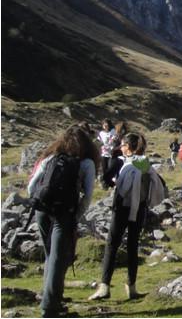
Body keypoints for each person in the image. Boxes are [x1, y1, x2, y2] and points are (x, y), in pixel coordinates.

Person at [28, 125, 98, 318]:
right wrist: (76, 216)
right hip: (64, 213)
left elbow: (32, 185)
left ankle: (51, 297)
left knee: (50, 254)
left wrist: (38, 202)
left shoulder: (51, 157)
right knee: (58, 258)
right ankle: (50, 307)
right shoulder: (87, 163)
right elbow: (88, 195)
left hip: (42, 209)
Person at [89, 133, 166, 301]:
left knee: (112, 244)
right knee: (132, 246)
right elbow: (161, 183)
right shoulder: (144, 163)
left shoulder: (120, 162)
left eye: (123, 145)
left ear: (128, 147)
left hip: (122, 208)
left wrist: (115, 185)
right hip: (140, 209)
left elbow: (105, 178)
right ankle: (131, 287)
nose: (121, 147)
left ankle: (105, 287)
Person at [103, 121, 128, 187]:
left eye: (124, 129)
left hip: (122, 157)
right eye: (122, 129)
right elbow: (112, 148)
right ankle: (108, 184)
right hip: (114, 157)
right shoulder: (115, 137)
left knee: (119, 172)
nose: (123, 131)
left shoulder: (125, 137)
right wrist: (120, 146)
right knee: (111, 172)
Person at [97, 120, 116, 189]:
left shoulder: (113, 131)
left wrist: (113, 141)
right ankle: (105, 184)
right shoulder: (101, 133)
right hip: (104, 153)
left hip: (112, 153)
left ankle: (110, 182)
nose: (105, 127)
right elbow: (99, 141)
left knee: (110, 168)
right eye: (104, 125)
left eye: (107, 125)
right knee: (104, 168)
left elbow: (114, 139)